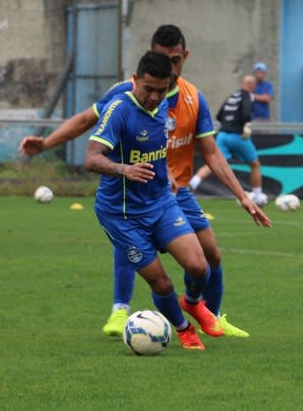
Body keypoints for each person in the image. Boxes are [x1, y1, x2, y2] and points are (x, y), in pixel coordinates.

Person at [20, 25, 271, 337]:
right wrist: (46, 144)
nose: (169, 66)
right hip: (132, 195)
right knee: (141, 257)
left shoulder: (193, 98)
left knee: (209, 255)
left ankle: (209, 313)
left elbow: (213, 154)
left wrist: (242, 195)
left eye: (174, 60)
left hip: (169, 191)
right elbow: (87, 121)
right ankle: (121, 310)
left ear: (184, 58)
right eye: (161, 58)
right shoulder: (125, 96)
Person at [84, 51, 221, 350]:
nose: (154, 97)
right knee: (162, 284)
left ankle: (193, 303)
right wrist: (124, 169)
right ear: (135, 81)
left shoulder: (161, 109)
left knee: (200, 266)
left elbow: (156, 149)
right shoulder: (119, 109)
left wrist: (167, 174)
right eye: (148, 89)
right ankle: (184, 330)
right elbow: (91, 158)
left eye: (161, 90)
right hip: (121, 215)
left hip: (159, 201)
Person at [189, 75, 268, 206]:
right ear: (251, 85)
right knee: (255, 164)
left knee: (212, 163)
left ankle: (193, 183)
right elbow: (247, 112)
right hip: (238, 136)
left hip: (222, 135)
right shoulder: (247, 95)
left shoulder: (232, 96)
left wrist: (228, 123)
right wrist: (247, 124)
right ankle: (258, 197)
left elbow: (219, 115)